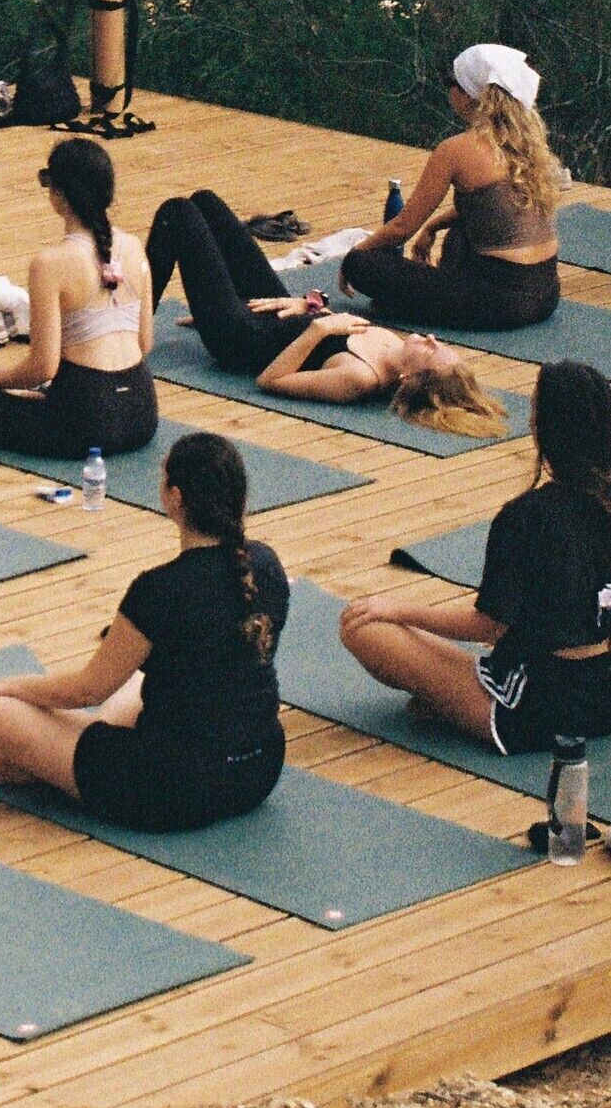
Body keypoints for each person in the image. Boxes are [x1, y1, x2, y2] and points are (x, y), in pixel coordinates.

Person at [0, 430, 290, 829]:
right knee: (140, 681)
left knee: (1, 713)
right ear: (241, 500)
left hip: (171, 789)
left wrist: (14, 686)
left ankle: (50, 767)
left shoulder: (158, 589)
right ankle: (54, 764)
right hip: (259, 769)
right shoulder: (266, 563)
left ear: (174, 498)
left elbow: (88, 690)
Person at [340, 361, 611, 752]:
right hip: (603, 688)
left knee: (362, 627)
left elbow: (488, 626)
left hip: (539, 708)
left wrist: (400, 610)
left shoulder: (526, 516)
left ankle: (450, 702)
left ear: (541, 427)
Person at [149, 190, 511, 434]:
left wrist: (317, 330)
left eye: (432, 351)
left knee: (177, 215)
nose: (431, 339)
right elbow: (324, 318)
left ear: (407, 381)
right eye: (439, 343)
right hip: (278, 310)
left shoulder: (359, 378)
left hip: (238, 335)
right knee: (205, 202)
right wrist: (308, 305)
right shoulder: (391, 343)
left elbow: (271, 381)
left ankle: (126, 324)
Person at [0, 137, 158, 458]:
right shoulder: (134, 246)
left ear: (58, 195)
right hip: (141, 413)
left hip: (86, 421)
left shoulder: (50, 263)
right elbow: (144, 344)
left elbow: (43, 367)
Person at [337, 43, 561, 331]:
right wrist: (433, 226)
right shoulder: (527, 142)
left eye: (451, 82)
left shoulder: (455, 149)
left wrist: (354, 254)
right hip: (545, 292)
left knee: (364, 266)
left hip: (498, 303)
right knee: (456, 235)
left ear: (467, 94)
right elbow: (497, 206)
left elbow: (401, 228)